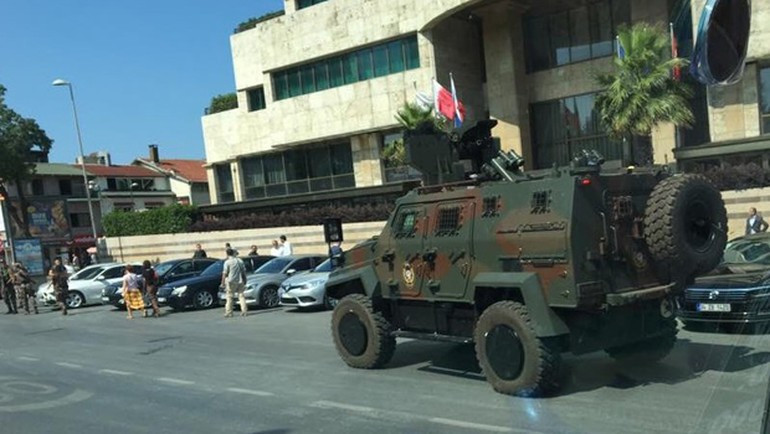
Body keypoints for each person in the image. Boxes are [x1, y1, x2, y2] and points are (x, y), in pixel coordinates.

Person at [222, 248, 248, 318]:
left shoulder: (227, 262)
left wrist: (223, 283)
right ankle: (244, 311)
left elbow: (225, 273)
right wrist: (245, 280)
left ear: (227, 254)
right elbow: (243, 272)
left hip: (231, 281)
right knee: (241, 296)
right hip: (240, 280)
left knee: (229, 297)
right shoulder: (240, 261)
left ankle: (229, 312)